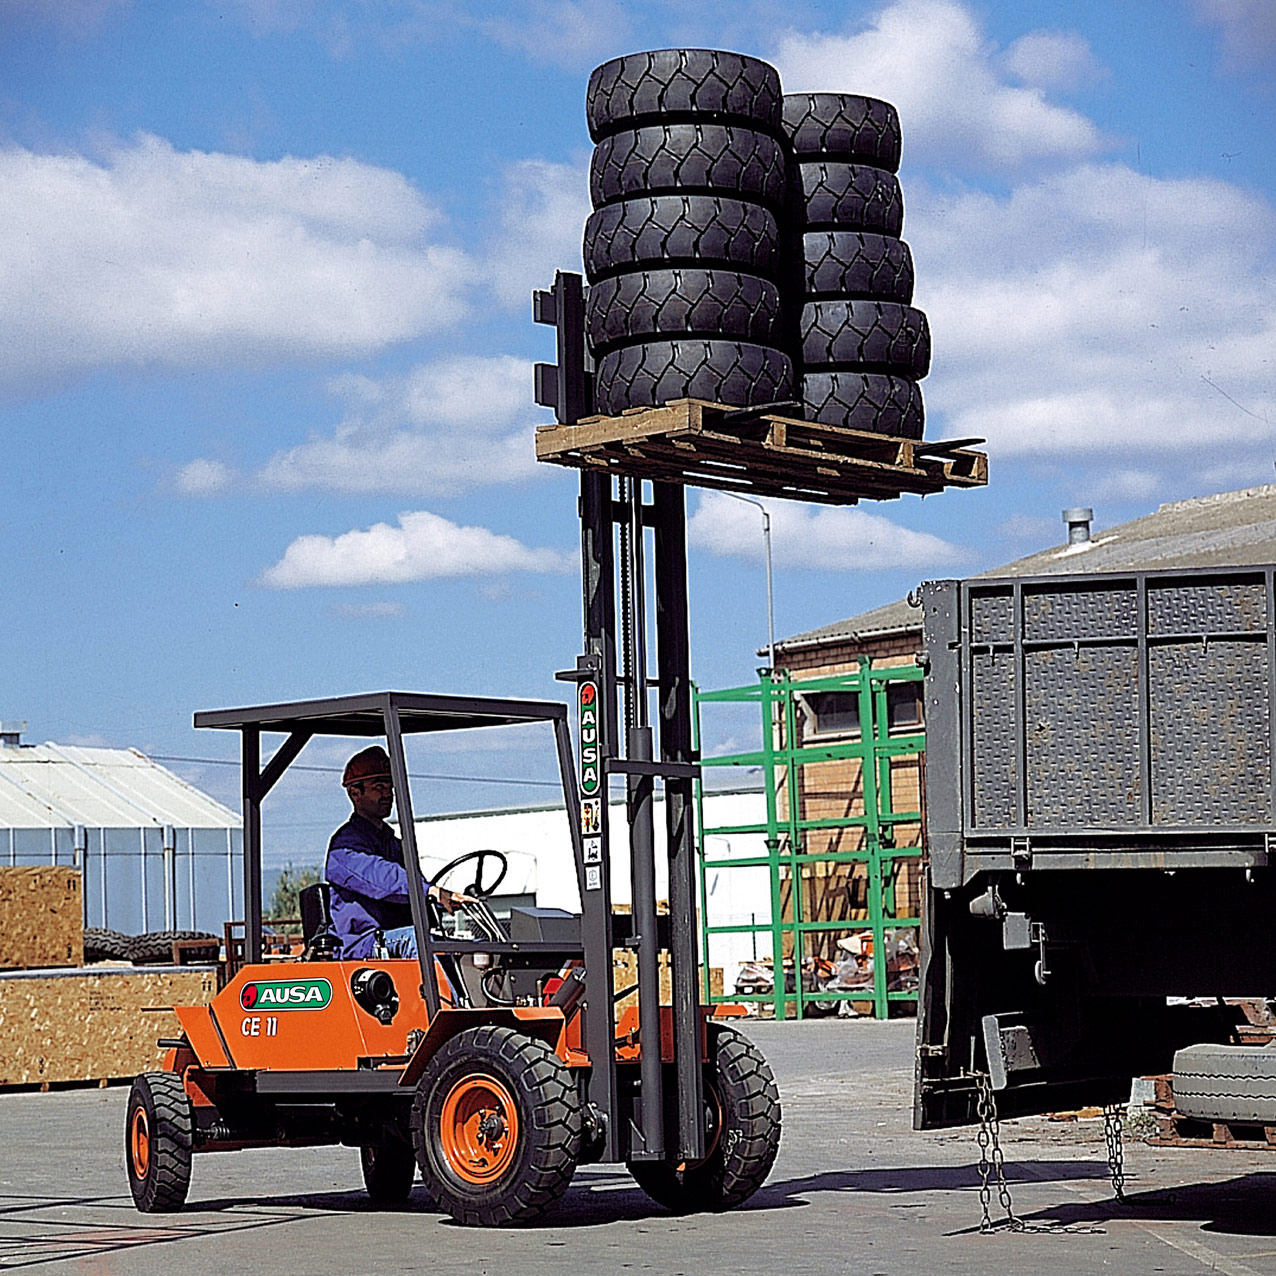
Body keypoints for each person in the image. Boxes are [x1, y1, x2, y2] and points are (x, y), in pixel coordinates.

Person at [325, 745, 470, 959]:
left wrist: (442, 901)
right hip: (362, 944)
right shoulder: (345, 848)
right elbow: (380, 877)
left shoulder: (393, 844)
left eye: (390, 787)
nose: (387, 794)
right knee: (418, 942)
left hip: (395, 936)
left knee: (472, 948)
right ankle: (445, 994)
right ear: (355, 793)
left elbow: (412, 891)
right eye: (378, 787)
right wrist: (429, 891)